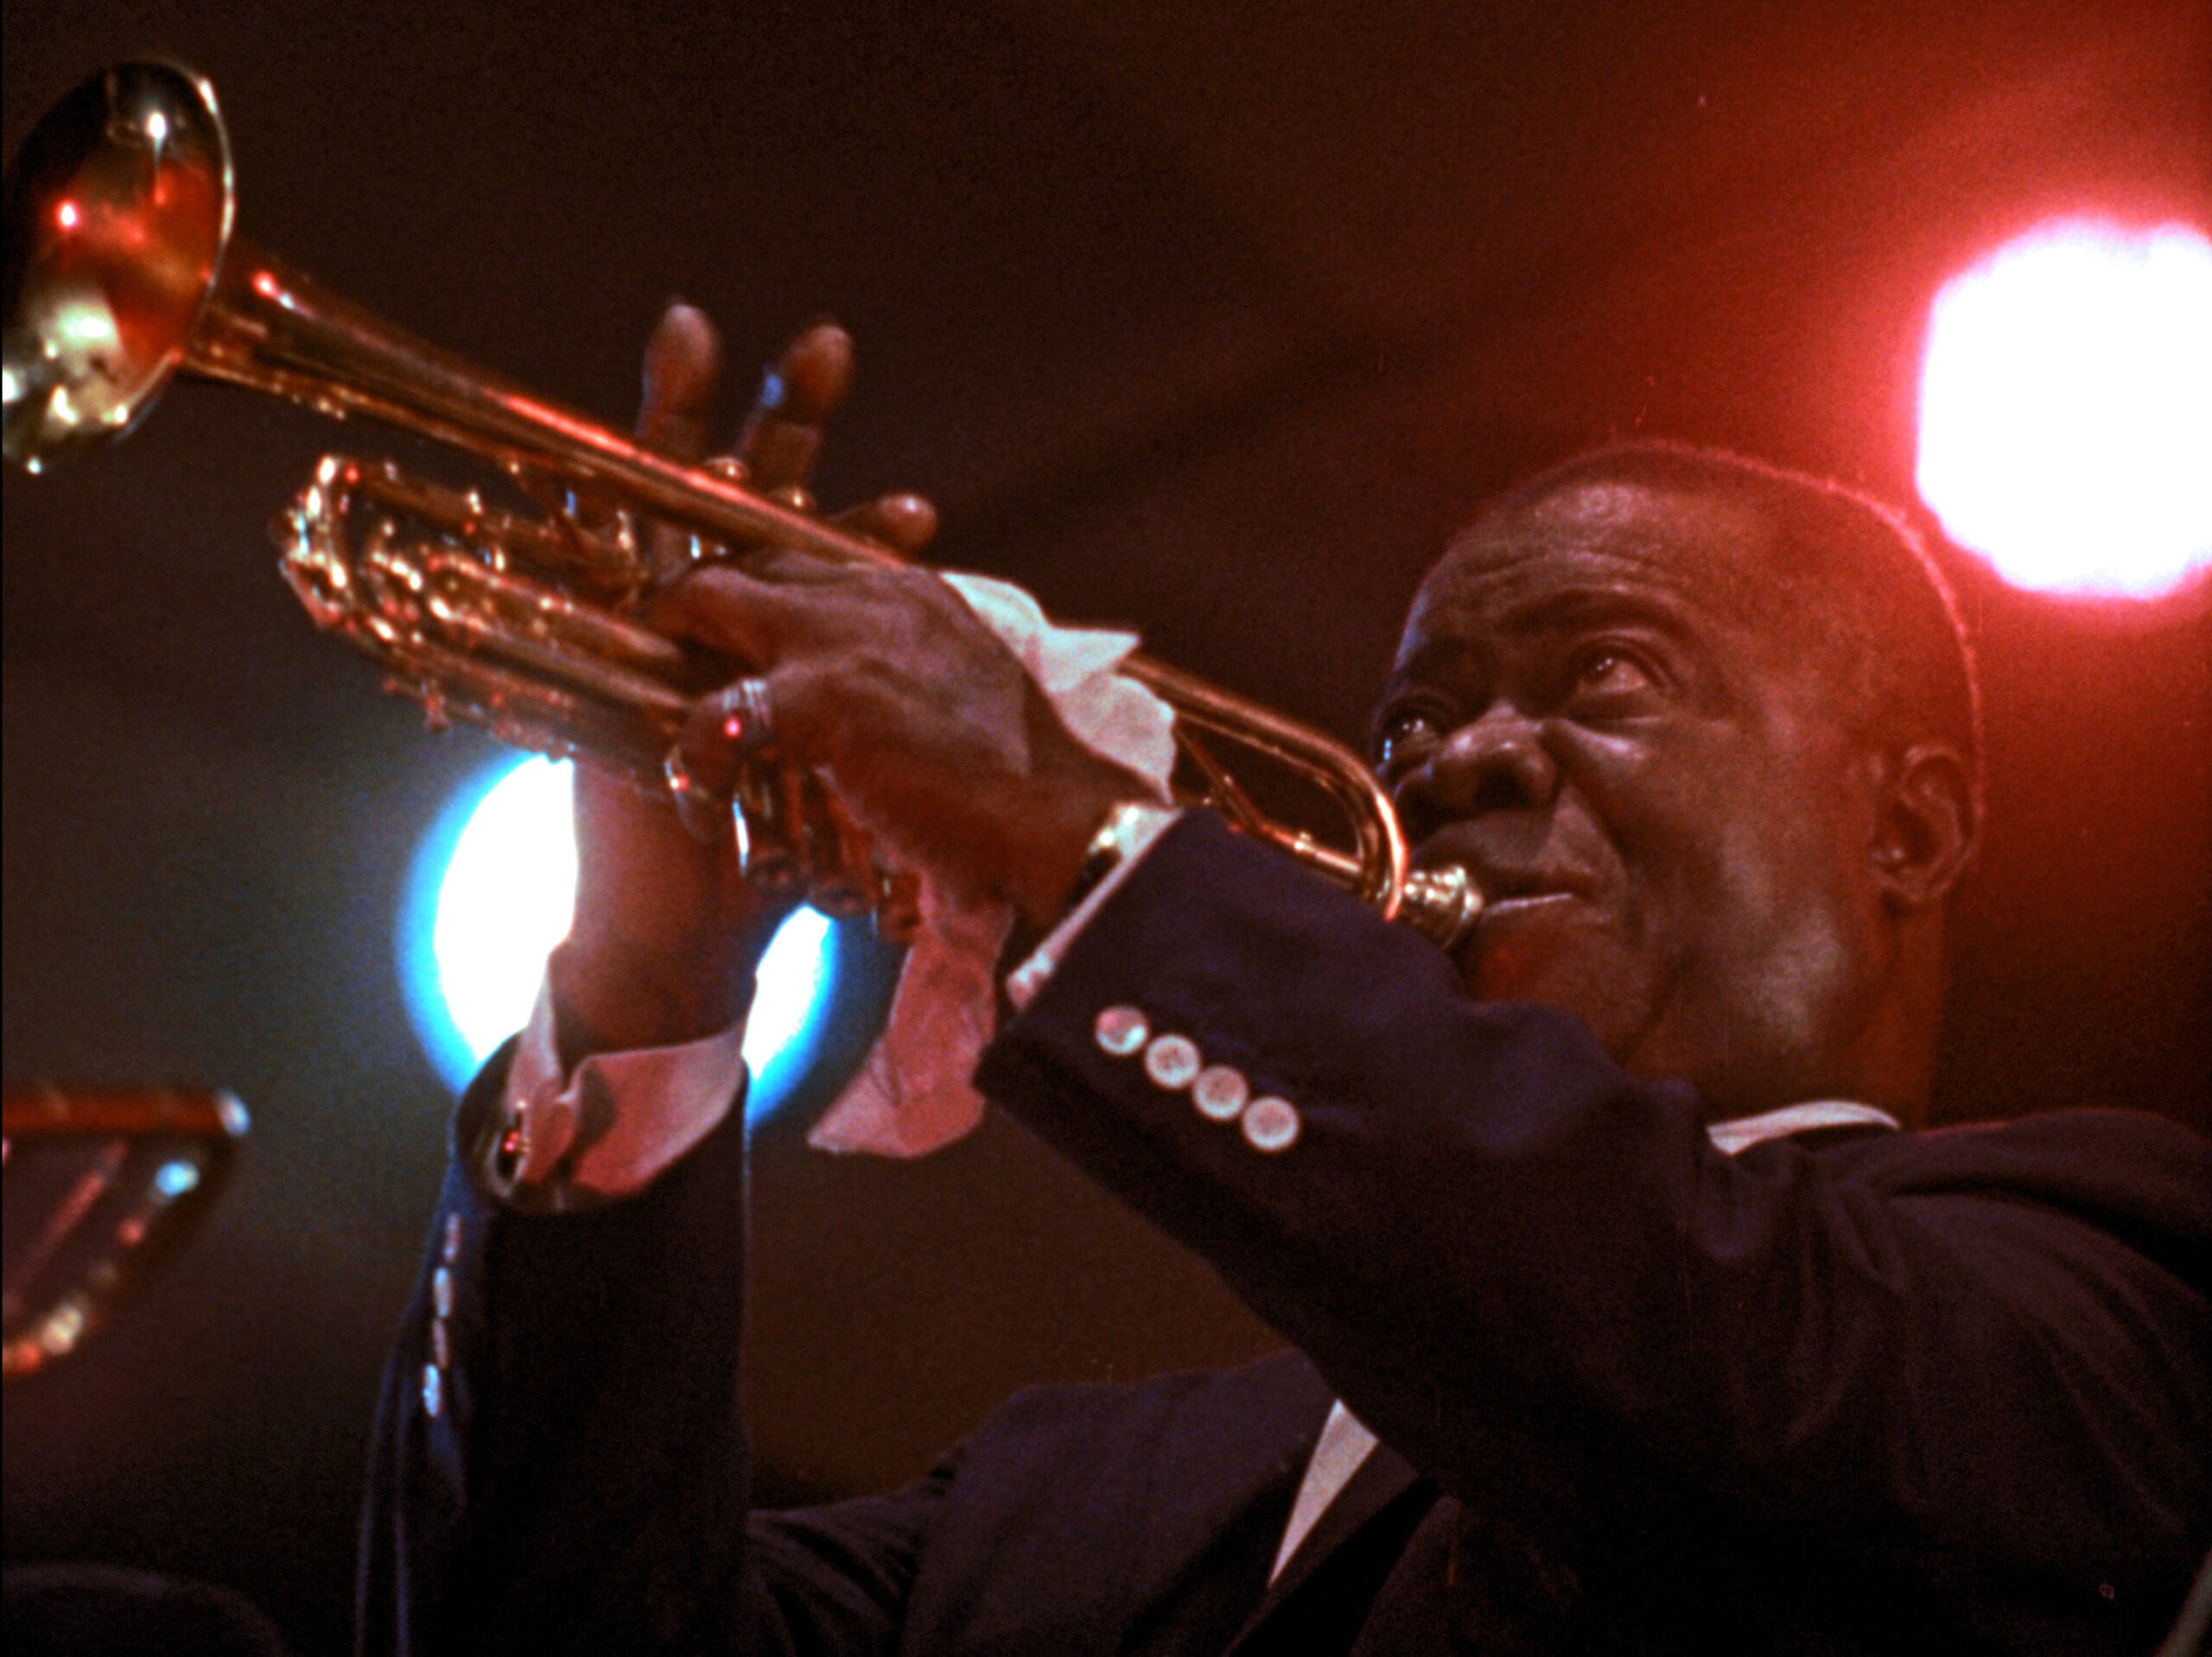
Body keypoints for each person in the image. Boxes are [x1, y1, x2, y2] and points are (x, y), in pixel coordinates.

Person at [357, 306, 2212, 1654]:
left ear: (1907, 833)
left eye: (1608, 681)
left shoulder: (2093, 1277)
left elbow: (1685, 1337)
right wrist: (642, 983)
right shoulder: (1061, 1486)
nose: (1460, 759)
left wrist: (1070, 840)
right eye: (1413, 715)